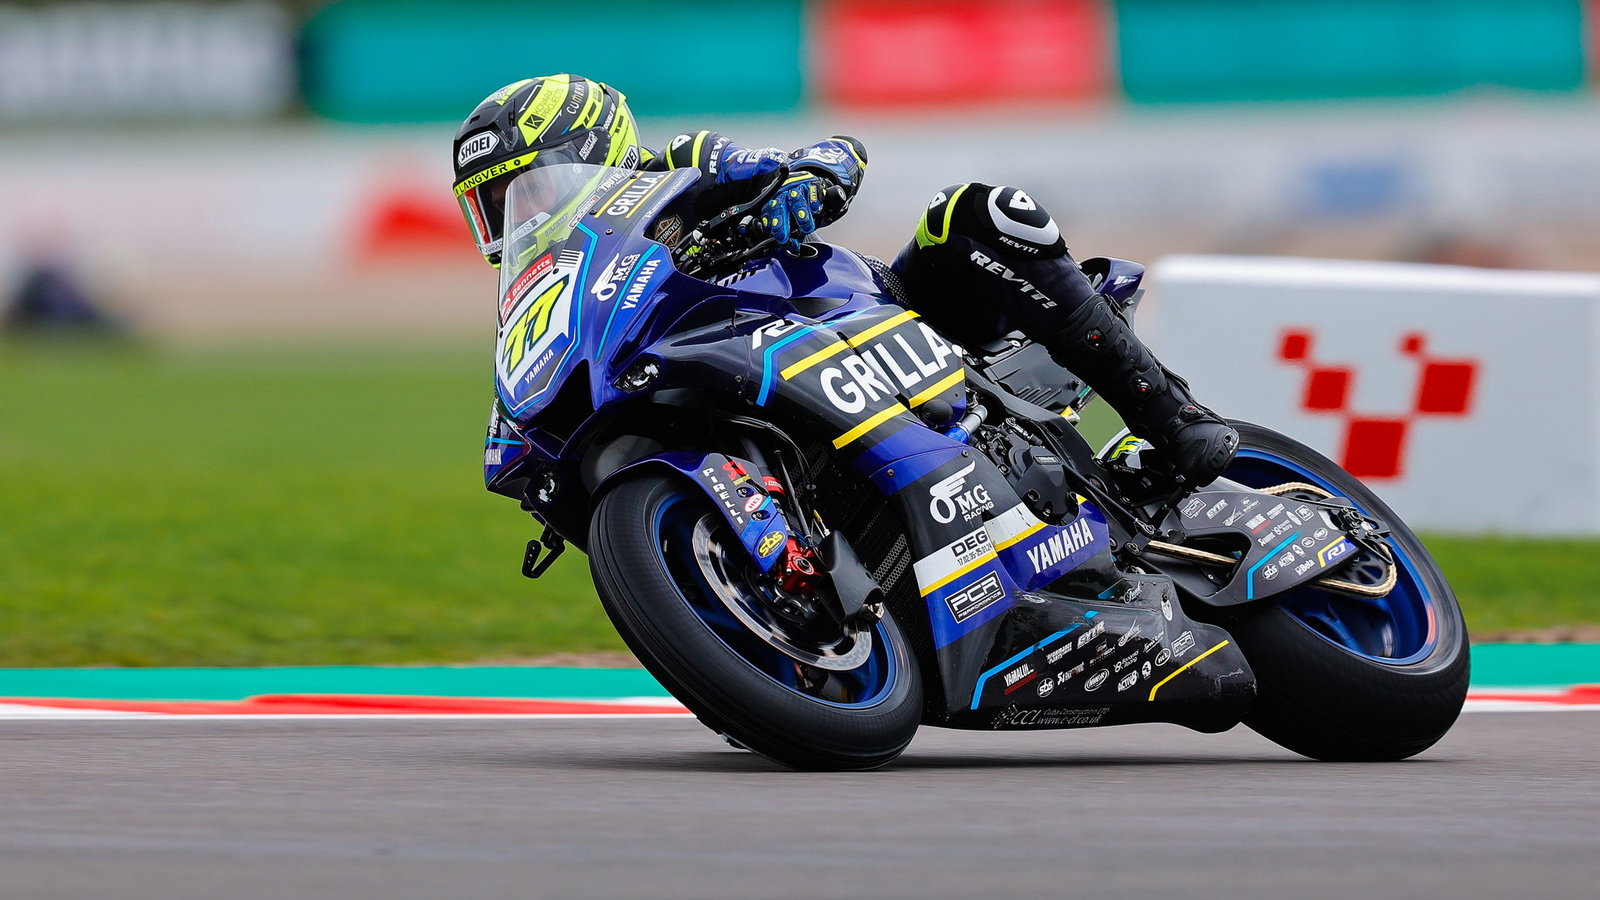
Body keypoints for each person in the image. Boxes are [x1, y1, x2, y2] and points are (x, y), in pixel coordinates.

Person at [452, 74, 1237, 486]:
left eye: (530, 186)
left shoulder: (681, 165)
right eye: (496, 205)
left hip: (870, 322)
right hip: (732, 375)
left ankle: (1175, 420)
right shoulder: (556, 296)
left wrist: (807, 180)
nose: (520, 214)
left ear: (599, 152)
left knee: (974, 212)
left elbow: (832, 152)